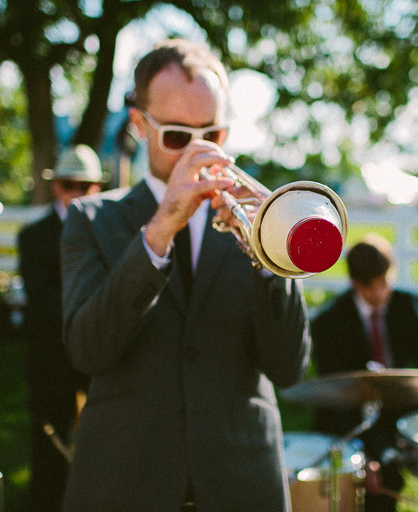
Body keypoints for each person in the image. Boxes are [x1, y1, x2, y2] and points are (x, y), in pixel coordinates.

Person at [59, 39, 311, 512]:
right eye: (177, 136)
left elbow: (288, 367)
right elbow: (87, 350)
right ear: (139, 125)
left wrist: (269, 260)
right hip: (128, 482)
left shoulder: (257, 219)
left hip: (242, 480)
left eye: (211, 134)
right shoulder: (91, 219)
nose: (197, 151)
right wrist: (159, 232)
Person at [310, 233, 418, 512]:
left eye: (384, 284)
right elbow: (335, 394)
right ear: (353, 283)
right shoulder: (329, 322)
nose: (378, 294)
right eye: (369, 288)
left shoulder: (407, 304)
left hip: (404, 406)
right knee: (382, 482)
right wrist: (366, 452)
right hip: (355, 415)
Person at [17, 144, 105, 512]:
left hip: (99, 349)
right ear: (56, 187)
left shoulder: (108, 230)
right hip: (52, 351)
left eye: (86, 186)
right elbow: (41, 298)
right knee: (49, 442)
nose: (78, 193)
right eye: (70, 185)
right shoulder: (34, 235)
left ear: (97, 188)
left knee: (105, 436)